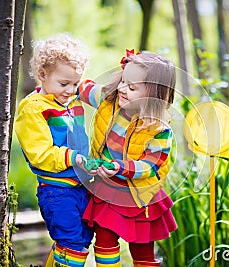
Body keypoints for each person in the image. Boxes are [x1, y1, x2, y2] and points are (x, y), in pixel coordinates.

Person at [76, 50, 177, 267]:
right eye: (123, 81)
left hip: (139, 196)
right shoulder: (108, 100)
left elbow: (151, 165)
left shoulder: (159, 129)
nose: (122, 89)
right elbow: (81, 87)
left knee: (142, 247)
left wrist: (121, 167)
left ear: (154, 96)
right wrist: (55, 88)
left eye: (132, 88)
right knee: (104, 241)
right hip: (107, 188)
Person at [14, 33, 93, 267]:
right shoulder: (34, 109)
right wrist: (73, 158)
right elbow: (40, 154)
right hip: (57, 191)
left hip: (79, 187)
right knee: (71, 244)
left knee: (82, 241)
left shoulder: (65, 101)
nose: (71, 90)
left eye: (75, 84)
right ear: (42, 75)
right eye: (64, 84)